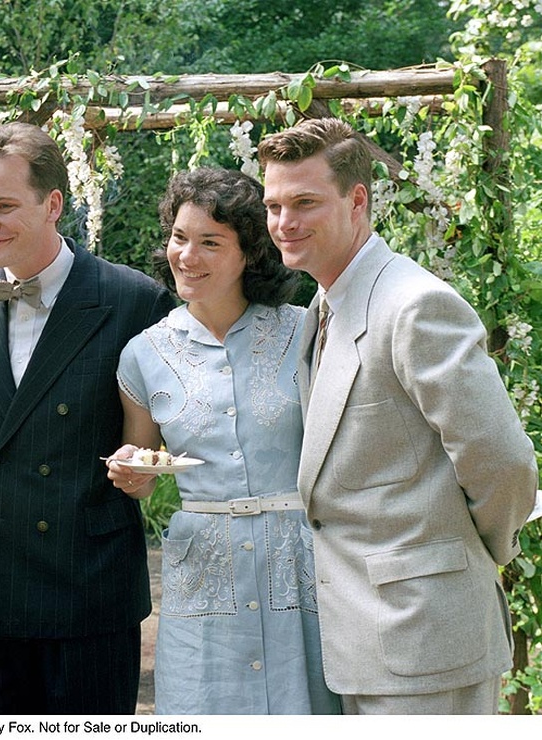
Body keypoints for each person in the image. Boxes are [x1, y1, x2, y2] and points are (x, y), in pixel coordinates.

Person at [257, 117, 537, 714]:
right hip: (362, 641)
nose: (284, 223)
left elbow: (504, 462)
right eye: (274, 206)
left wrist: (468, 558)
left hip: (428, 637)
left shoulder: (414, 306)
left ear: (357, 201)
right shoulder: (324, 305)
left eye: (304, 203)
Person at [0, 122, 174, 714]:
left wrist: (144, 467)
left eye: (3, 206)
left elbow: (172, 431)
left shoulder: (133, 299)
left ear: (53, 204)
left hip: (88, 588)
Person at [104, 168, 339, 714]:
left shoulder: (305, 331)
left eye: (210, 242)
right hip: (204, 574)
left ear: (249, 253)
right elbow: (141, 472)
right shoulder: (143, 354)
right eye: (179, 237)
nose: (187, 256)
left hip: (300, 569)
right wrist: (131, 471)